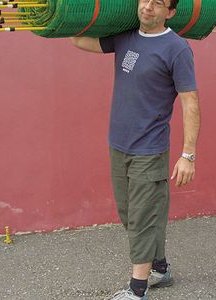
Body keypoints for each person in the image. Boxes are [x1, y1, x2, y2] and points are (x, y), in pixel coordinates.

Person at [70, 0, 200, 298]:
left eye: (158, 3)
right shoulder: (125, 37)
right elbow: (78, 40)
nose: (148, 6)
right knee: (131, 214)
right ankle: (161, 268)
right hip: (118, 144)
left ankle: (137, 288)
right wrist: (70, 13)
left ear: (170, 12)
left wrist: (188, 155)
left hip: (149, 148)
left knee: (142, 216)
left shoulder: (176, 48)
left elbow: (190, 101)